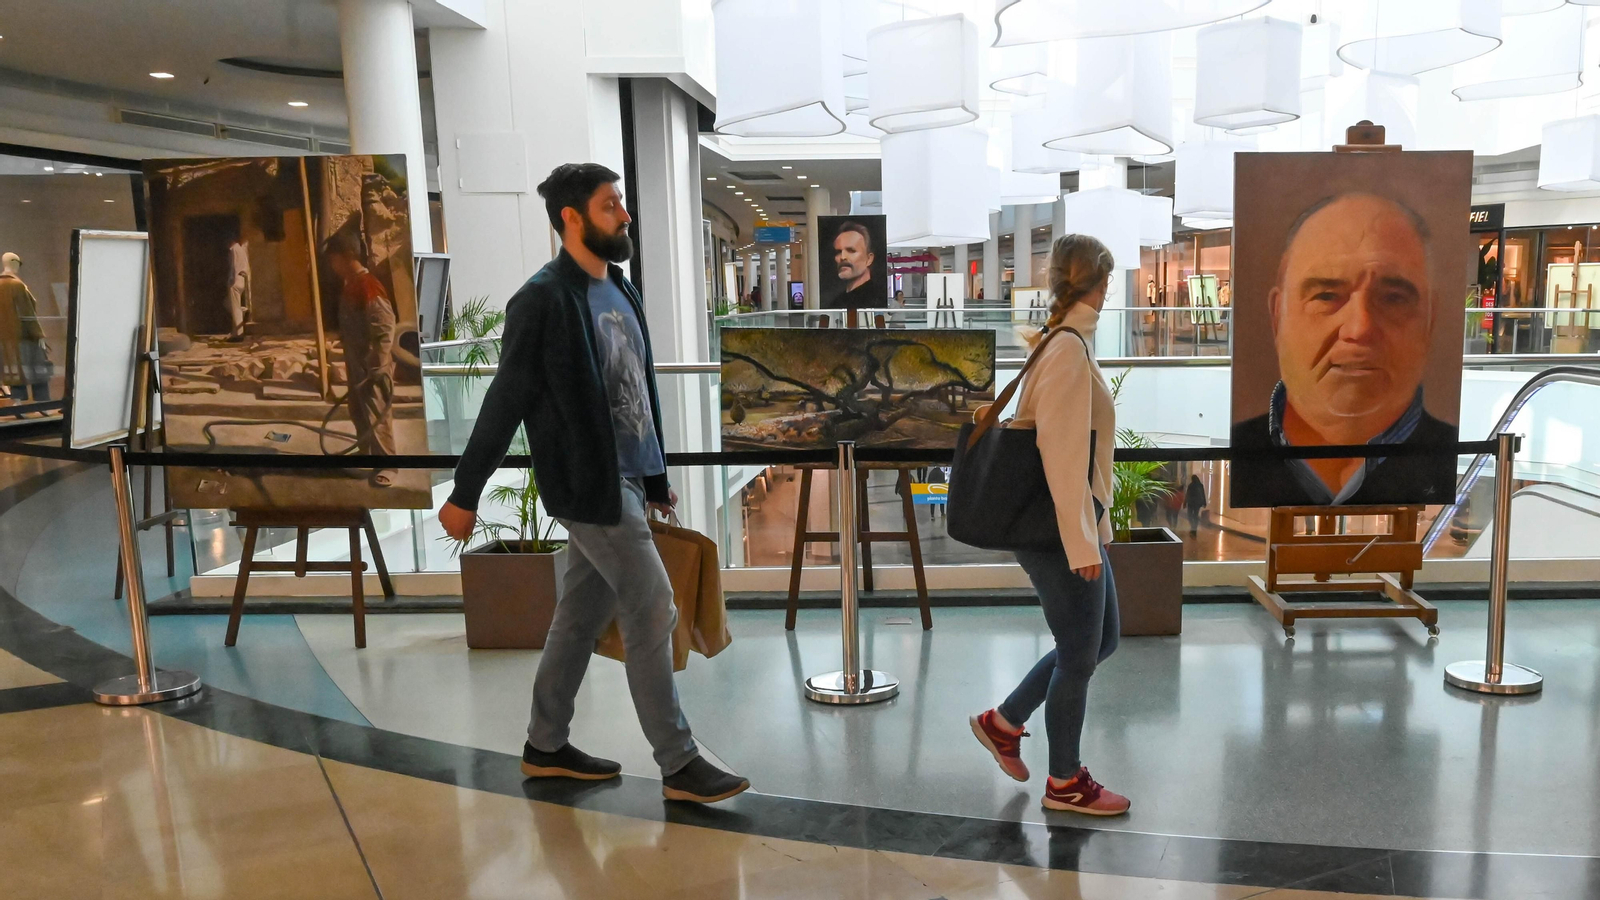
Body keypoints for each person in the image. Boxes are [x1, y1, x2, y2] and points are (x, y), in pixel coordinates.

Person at [439, 162, 749, 805]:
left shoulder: (621, 288)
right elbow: (505, 400)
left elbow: (638, 389)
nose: (625, 215)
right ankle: (679, 762)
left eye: (622, 203)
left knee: (579, 616)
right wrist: (466, 493)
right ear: (571, 218)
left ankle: (545, 746)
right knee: (651, 604)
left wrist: (655, 478)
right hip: (588, 486)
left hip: (628, 480)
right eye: (611, 205)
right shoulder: (542, 300)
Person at [970, 234, 1129, 817]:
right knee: (1079, 655)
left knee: (1099, 640)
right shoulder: (1065, 349)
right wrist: (1081, 541)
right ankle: (1064, 781)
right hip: (1060, 532)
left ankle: (1004, 721)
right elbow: (1061, 454)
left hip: (1071, 524)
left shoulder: (1065, 341)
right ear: (1101, 283)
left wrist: (1091, 530)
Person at [1231, 193, 1455, 507]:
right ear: (1277, 316)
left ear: (1430, 321)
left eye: (1393, 298)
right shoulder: (1239, 455)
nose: (1359, 329)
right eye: (1326, 296)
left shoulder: (1452, 459)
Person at [324, 238, 399, 488]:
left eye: (334, 260)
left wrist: (378, 363)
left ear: (346, 256)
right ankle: (366, 452)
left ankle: (388, 464)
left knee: (376, 412)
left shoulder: (368, 285)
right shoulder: (352, 284)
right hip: (356, 361)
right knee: (358, 409)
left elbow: (384, 326)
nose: (333, 266)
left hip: (372, 364)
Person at [0, 252, 51, 404]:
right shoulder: (17, 285)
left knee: (14, 368)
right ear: (14, 262)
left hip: (6, 339)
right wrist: (39, 334)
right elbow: (27, 313)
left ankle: (18, 401)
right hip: (25, 336)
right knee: (39, 368)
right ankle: (42, 402)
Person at [823, 220, 880, 310]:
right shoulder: (837, 302)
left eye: (851, 250)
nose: (842, 257)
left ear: (869, 259)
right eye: (838, 252)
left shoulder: (877, 299)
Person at [225, 236, 251, 341]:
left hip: (236, 279)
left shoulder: (234, 249)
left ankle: (238, 334)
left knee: (235, 307)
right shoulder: (241, 249)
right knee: (229, 304)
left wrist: (231, 279)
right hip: (242, 279)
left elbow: (234, 266)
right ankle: (244, 311)